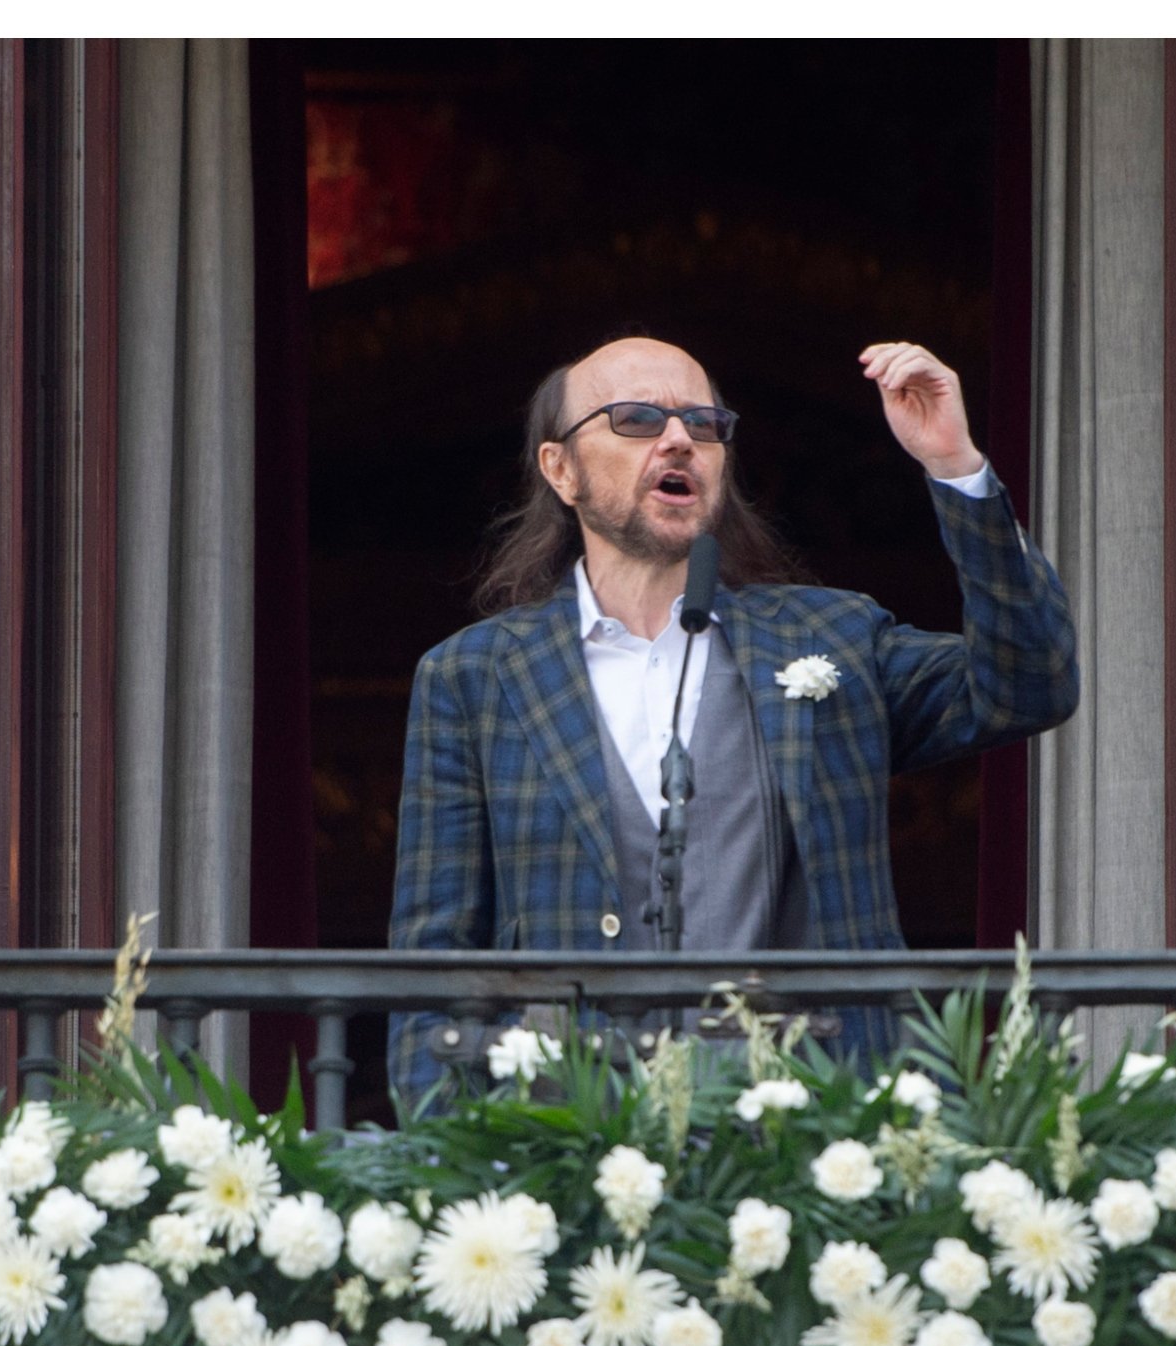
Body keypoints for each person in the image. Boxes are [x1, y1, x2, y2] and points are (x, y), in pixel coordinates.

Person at [386, 335, 1077, 1107]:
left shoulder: (830, 640)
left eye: (705, 423)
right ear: (561, 469)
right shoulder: (473, 678)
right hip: (568, 1141)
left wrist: (955, 467)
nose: (681, 438)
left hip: (812, 1128)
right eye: (638, 418)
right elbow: (432, 964)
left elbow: (1029, 683)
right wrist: (444, 1161)